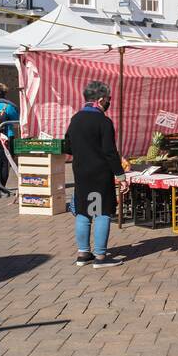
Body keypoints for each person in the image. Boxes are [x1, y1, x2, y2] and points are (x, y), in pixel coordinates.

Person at [65, 80, 125, 268]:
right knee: (101, 213)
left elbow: (67, 146)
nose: (109, 102)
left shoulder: (75, 119)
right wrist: (120, 175)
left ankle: (83, 254)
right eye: (108, 99)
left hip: (80, 172)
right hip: (100, 174)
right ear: (100, 100)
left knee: (83, 212)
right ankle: (100, 256)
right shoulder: (104, 122)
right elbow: (110, 152)